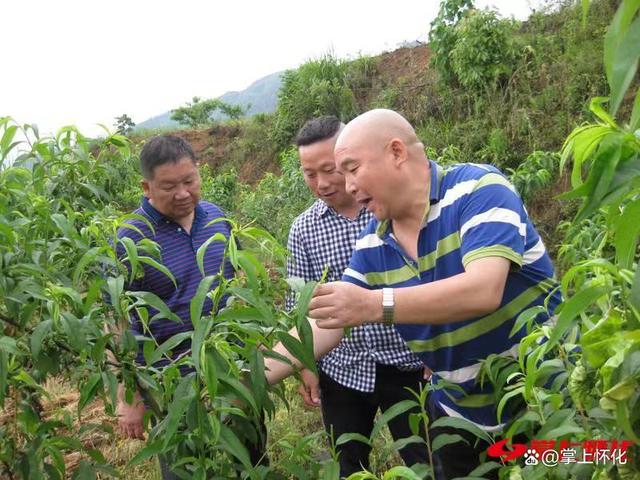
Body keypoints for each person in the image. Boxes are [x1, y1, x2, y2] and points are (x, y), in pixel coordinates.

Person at [266, 109, 562, 479]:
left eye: (352, 169)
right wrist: (243, 382)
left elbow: (484, 289)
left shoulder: (478, 189)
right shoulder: (373, 243)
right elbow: (325, 322)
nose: (348, 185)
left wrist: (374, 304)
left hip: (548, 405)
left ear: (396, 152)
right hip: (461, 419)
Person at [114, 135, 264, 478]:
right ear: (147, 187)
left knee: (251, 461)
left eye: (189, 181)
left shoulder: (216, 218)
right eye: (169, 186)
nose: (182, 193)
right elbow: (119, 320)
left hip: (232, 370)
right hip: (172, 383)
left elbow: (238, 282)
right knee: (185, 467)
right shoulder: (131, 237)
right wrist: (129, 395)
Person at [287, 116, 429, 476]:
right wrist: (305, 365)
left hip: (407, 360)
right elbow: (299, 306)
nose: (322, 183)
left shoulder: (390, 209)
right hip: (343, 367)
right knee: (348, 462)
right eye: (309, 174)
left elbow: (431, 282)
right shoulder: (304, 229)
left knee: (426, 456)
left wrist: (438, 349)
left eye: (330, 169)